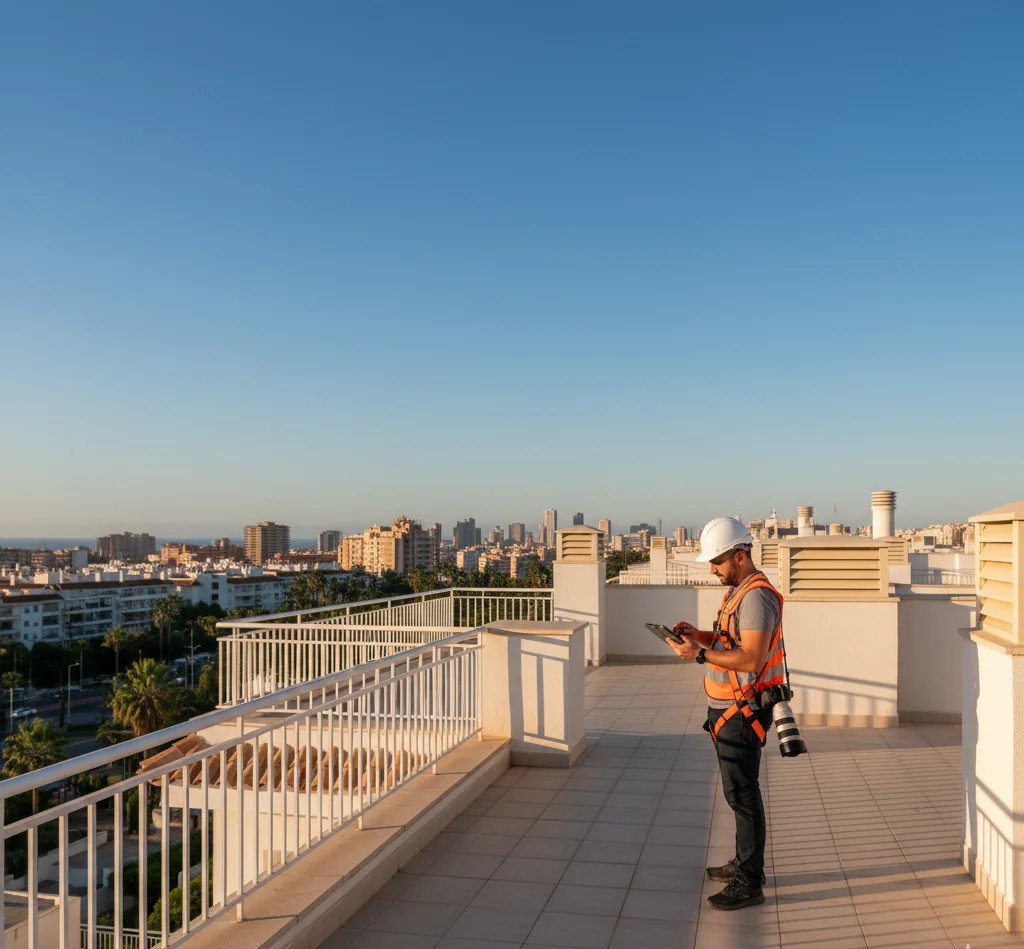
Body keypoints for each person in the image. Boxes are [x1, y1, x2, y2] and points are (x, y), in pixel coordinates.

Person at [667, 516, 787, 911]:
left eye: (716, 562)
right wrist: (699, 636)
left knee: (743, 794)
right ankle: (743, 865)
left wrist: (699, 653)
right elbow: (731, 641)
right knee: (739, 793)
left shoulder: (756, 597)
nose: (712, 569)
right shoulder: (738, 592)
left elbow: (751, 658)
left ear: (740, 555)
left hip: (743, 710)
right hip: (730, 710)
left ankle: (749, 882)